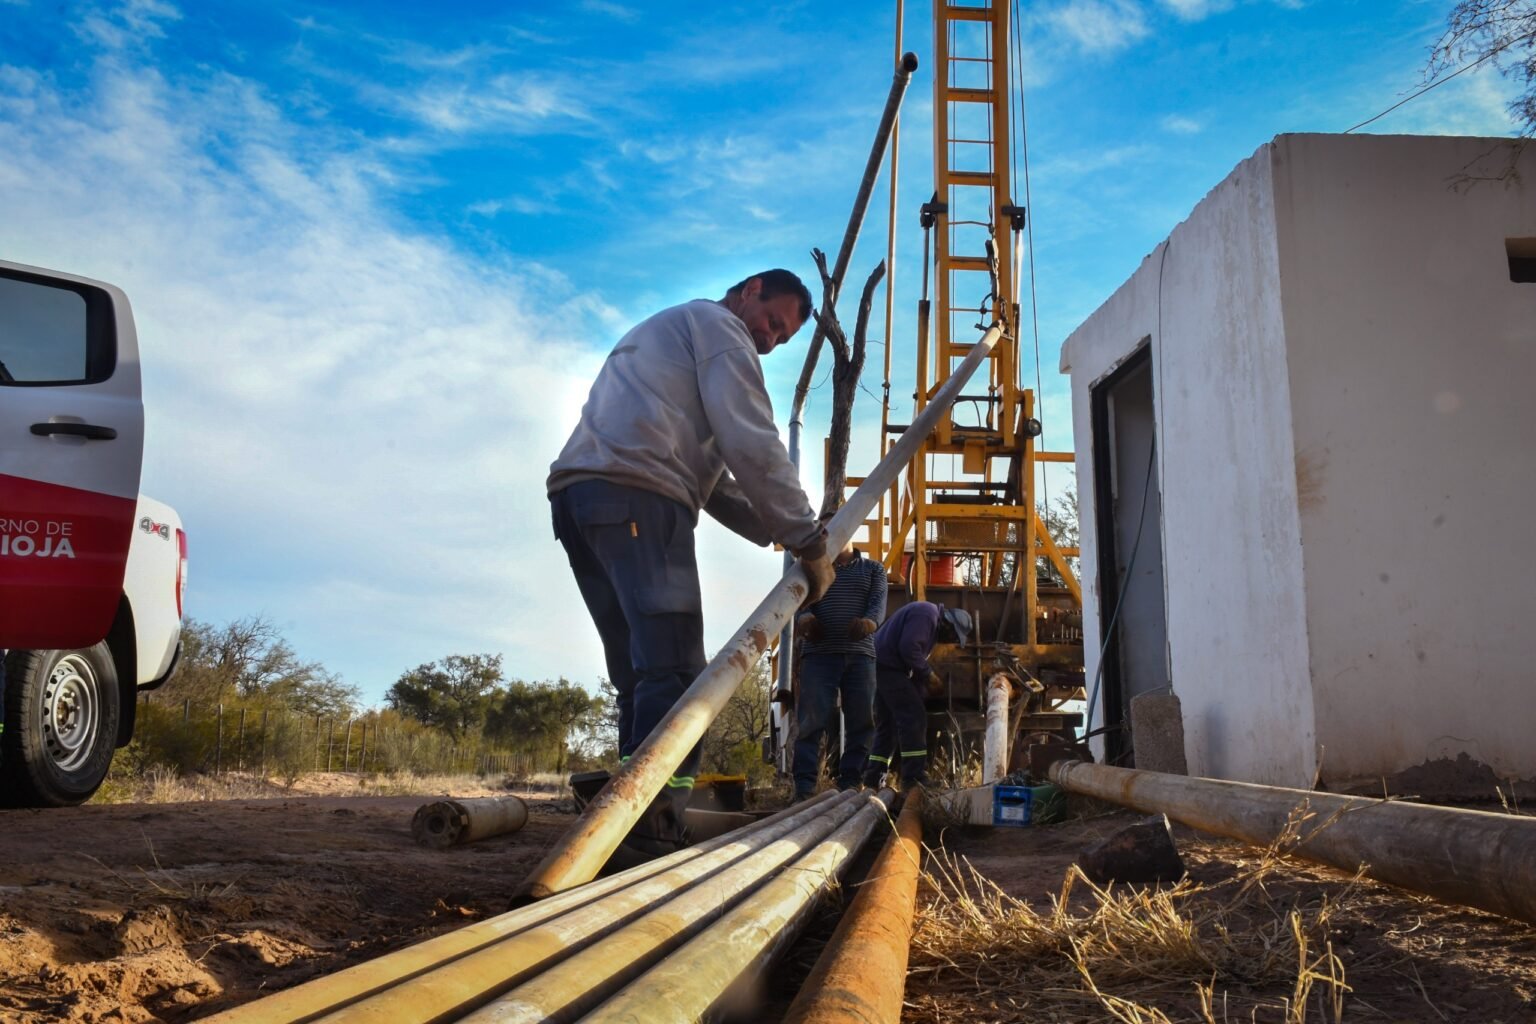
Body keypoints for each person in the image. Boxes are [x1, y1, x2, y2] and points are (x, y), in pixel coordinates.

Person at [547, 269, 835, 855]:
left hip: (583, 501)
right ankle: (653, 823)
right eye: (773, 323)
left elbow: (710, 475)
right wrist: (807, 538)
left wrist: (772, 529)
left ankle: (621, 816)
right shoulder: (721, 329)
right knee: (677, 674)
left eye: (781, 340)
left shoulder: (674, 331)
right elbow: (751, 441)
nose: (770, 341)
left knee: (640, 670)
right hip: (638, 499)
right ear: (749, 289)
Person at [790, 509, 888, 801]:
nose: (831, 534)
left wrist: (870, 623)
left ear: (852, 528)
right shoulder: (808, 569)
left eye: (839, 528)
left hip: (860, 656)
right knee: (811, 721)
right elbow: (795, 599)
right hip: (819, 655)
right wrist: (805, 618)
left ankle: (850, 783)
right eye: (826, 530)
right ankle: (804, 788)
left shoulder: (873, 569)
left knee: (861, 721)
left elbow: (877, 605)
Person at [864, 602, 972, 789]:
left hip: (881, 665)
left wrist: (922, 690)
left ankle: (874, 777)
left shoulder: (927, 621)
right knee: (914, 717)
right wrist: (929, 675)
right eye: (954, 635)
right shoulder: (927, 615)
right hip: (887, 667)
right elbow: (909, 649)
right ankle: (913, 777)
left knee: (887, 725)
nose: (951, 640)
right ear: (948, 623)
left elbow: (911, 662)